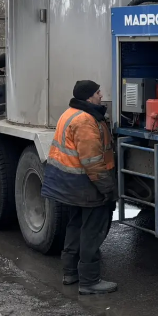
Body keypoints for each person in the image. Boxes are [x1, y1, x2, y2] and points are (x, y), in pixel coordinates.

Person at [41, 80, 118, 295]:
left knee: (75, 227)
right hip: (87, 185)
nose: (101, 95)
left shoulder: (71, 113)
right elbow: (92, 161)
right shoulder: (85, 120)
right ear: (88, 97)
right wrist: (108, 189)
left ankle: (70, 273)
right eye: (97, 92)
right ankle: (90, 281)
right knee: (92, 232)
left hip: (71, 184)